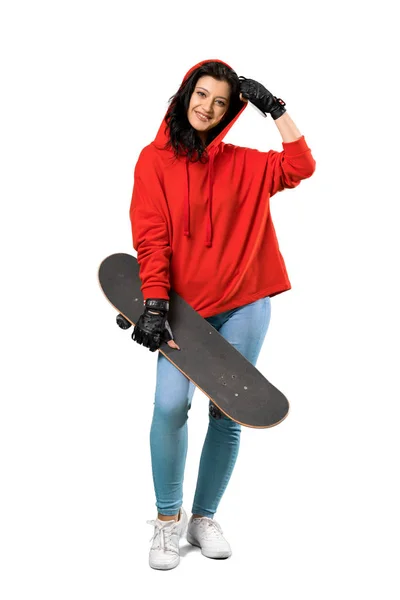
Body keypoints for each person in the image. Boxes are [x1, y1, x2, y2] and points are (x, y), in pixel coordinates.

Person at [129, 58, 316, 570]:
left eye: (220, 101)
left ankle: (203, 517)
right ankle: (168, 522)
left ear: (231, 109)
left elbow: (301, 166)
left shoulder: (245, 163)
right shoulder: (153, 162)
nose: (208, 107)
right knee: (169, 406)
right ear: (186, 93)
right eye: (201, 94)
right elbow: (151, 238)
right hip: (185, 313)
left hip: (247, 302)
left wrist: (275, 109)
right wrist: (153, 301)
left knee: (227, 414)